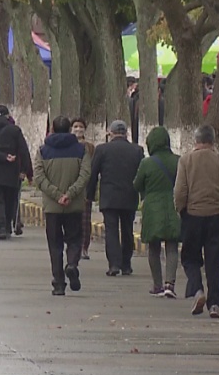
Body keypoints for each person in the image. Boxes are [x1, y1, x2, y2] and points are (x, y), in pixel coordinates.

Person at [174, 125, 219, 318]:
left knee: (190, 258)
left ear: (196, 140)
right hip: (217, 217)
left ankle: (197, 290)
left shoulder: (186, 161)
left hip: (193, 216)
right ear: (212, 140)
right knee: (214, 261)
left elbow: (180, 191)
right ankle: (215, 304)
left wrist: (181, 209)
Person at [34, 116, 91, 296]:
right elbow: (85, 174)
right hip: (74, 205)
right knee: (74, 239)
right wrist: (70, 194)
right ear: (69, 129)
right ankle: (72, 264)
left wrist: (57, 195)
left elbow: (39, 177)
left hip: (52, 207)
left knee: (55, 244)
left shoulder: (43, 151)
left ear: (52, 129)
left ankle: (58, 283)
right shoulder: (81, 150)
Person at [86, 120, 144, 276]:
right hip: (130, 196)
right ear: (126, 133)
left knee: (111, 230)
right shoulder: (137, 150)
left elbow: (93, 174)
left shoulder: (102, 149)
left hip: (109, 197)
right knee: (127, 230)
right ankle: (126, 264)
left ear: (110, 133)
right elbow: (142, 174)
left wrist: (89, 195)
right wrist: (142, 195)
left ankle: (114, 264)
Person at [133, 127, 182, 298]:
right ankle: (170, 284)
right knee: (172, 246)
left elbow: (137, 184)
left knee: (153, 248)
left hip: (152, 209)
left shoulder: (147, 163)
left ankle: (157, 285)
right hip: (174, 207)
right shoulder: (178, 161)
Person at [0, 105, 32, 240]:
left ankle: (1, 228)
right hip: (11, 172)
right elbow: (23, 151)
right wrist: (26, 171)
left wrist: (1, 156)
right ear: (8, 116)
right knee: (10, 200)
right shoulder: (14, 130)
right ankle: (7, 227)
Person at [69, 118, 96, 258]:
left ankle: (84, 247)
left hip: (85, 188)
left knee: (85, 220)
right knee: (71, 219)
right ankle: (73, 246)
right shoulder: (67, 145)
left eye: (81, 126)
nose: (78, 129)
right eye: (75, 126)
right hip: (69, 187)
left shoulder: (90, 147)